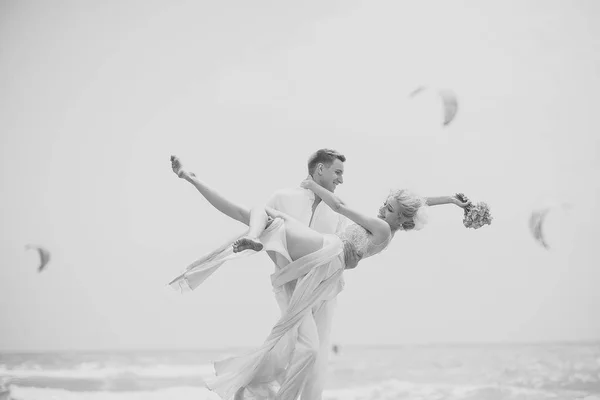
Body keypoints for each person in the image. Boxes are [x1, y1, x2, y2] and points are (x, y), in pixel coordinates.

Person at [168, 155, 471, 400]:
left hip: (328, 256)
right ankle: (199, 184)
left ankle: (253, 233)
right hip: (326, 260)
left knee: (262, 213)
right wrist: (449, 200)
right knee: (258, 213)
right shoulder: (390, 224)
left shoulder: (381, 228)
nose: (382, 207)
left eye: (389, 208)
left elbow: (340, 206)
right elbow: (419, 204)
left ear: (401, 218)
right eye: (386, 204)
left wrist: (313, 187)